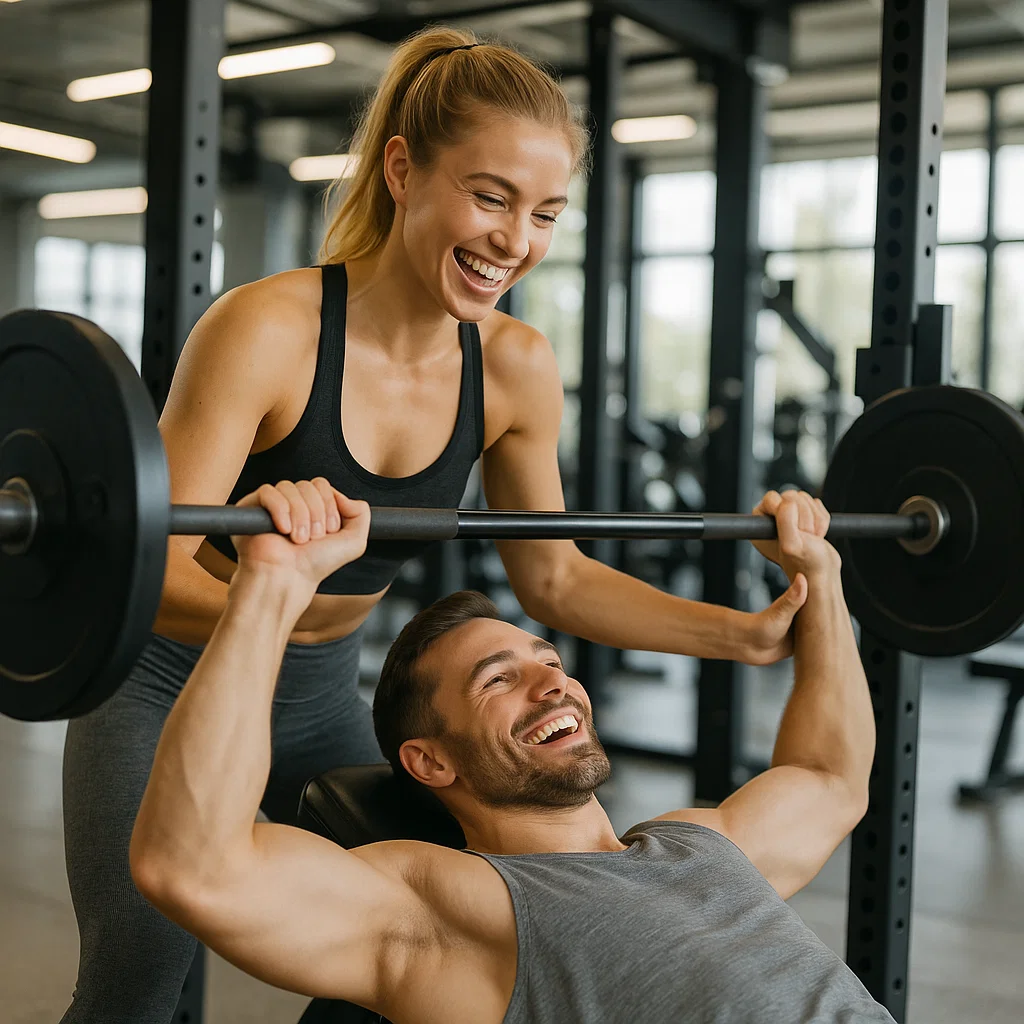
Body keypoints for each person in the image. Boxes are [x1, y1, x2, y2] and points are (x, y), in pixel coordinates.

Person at [60, 26, 809, 1024]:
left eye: (545, 212)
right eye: (490, 195)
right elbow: (141, 575)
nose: (515, 240)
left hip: (328, 695)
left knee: (444, 940)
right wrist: (271, 598)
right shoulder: (266, 331)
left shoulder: (513, 364)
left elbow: (555, 581)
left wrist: (741, 633)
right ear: (403, 169)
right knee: (136, 984)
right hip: (161, 684)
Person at [129, 485, 895, 1024]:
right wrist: (271, 585)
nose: (550, 683)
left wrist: (819, 577)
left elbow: (831, 777)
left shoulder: (701, 843)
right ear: (430, 761)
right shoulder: (447, 910)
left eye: (551, 662)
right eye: (500, 679)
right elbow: (192, 866)